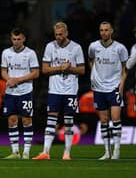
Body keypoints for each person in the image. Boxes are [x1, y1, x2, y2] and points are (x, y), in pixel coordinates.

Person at [32, 22, 85, 160]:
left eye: (61, 34)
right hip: (54, 90)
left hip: (70, 90)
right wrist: (61, 68)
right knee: (50, 121)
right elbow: (44, 69)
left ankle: (67, 153)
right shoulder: (50, 46)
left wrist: (70, 69)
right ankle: (45, 152)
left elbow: (82, 70)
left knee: (68, 122)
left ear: (67, 33)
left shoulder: (76, 48)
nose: (58, 37)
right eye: (56, 34)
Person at [88, 21, 128, 160]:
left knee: (116, 118)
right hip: (99, 89)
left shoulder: (120, 48)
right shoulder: (93, 46)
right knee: (104, 120)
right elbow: (91, 60)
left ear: (111, 31)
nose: (103, 32)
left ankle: (117, 150)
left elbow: (125, 68)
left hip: (114, 87)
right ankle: (107, 152)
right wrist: (94, 75)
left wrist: (121, 84)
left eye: (106, 30)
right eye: (101, 30)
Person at [1, 28, 39, 159]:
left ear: (24, 39)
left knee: (26, 119)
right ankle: (15, 152)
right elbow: (3, 71)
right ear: (11, 39)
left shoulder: (30, 53)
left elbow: (35, 73)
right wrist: (9, 80)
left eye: (19, 39)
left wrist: (18, 80)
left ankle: (26, 151)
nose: (16, 42)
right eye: (14, 39)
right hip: (10, 92)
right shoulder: (6, 52)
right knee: (11, 120)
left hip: (25, 91)